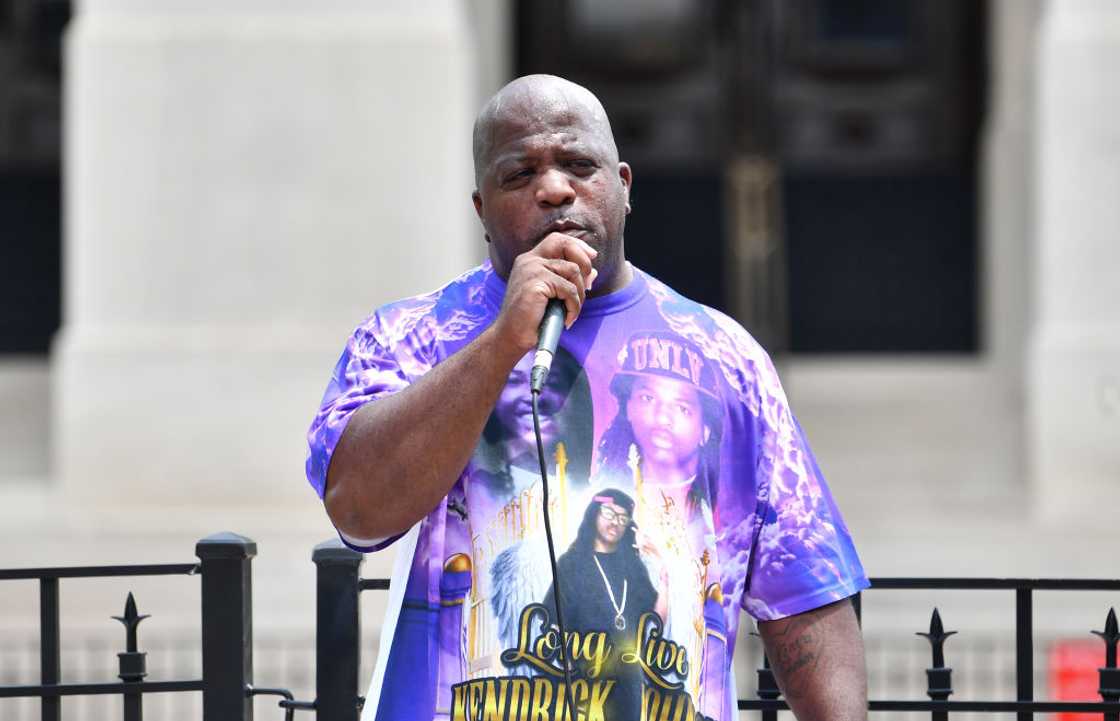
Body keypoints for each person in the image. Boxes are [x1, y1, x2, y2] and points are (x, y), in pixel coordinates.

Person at [306, 74, 870, 721]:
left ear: (624, 188)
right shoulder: (408, 338)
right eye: (519, 174)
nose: (554, 188)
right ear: (480, 208)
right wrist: (499, 344)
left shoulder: (726, 357)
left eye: (579, 165)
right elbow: (357, 508)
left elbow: (805, 594)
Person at [541, 489, 664, 721]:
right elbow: (552, 622)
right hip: (582, 677)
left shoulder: (634, 567)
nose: (615, 522)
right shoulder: (571, 564)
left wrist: (663, 571)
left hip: (628, 679)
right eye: (609, 512)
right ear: (594, 514)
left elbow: (656, 624)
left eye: (622, 517)